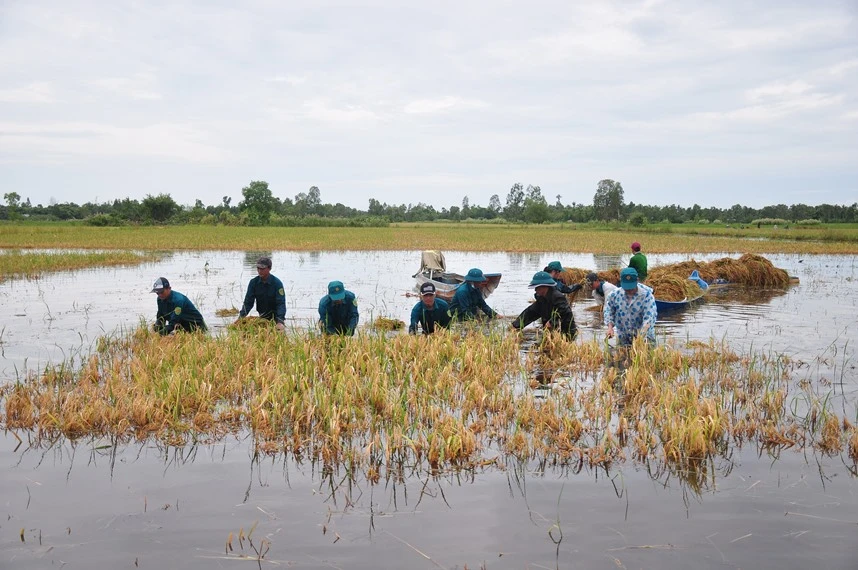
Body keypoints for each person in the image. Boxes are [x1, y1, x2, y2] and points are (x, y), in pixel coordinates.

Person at [511, 271, 577, 339]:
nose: (535, 290)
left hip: (566, 332)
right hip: (550, 332)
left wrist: (551, 322)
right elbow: (530, 312)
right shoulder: (541, 299)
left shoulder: (557, 297)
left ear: (545, 286)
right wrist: (516, 325)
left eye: (537, 287)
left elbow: (563, 311)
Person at [603, 267, 657, 346]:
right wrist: (610, 327)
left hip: (645, 337)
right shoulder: (614, 295)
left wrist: (639, 340)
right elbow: (609, 311)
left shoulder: (647, 296)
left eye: (631, 288)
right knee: (621, 357)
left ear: (637, 280)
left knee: (645, 357)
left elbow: (649, 319)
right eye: (626, 288)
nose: (629, 291)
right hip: (623, 337)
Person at [238, 256, 287, 331]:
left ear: (269, 268)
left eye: (262, 269)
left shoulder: (277, 283)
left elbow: (281, 303)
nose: (260, 271)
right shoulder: (253, 283)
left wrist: (280, 321)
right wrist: (241, 318)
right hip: (262, 316)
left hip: (276, 318)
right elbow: (248, 302)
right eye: (258, 268)